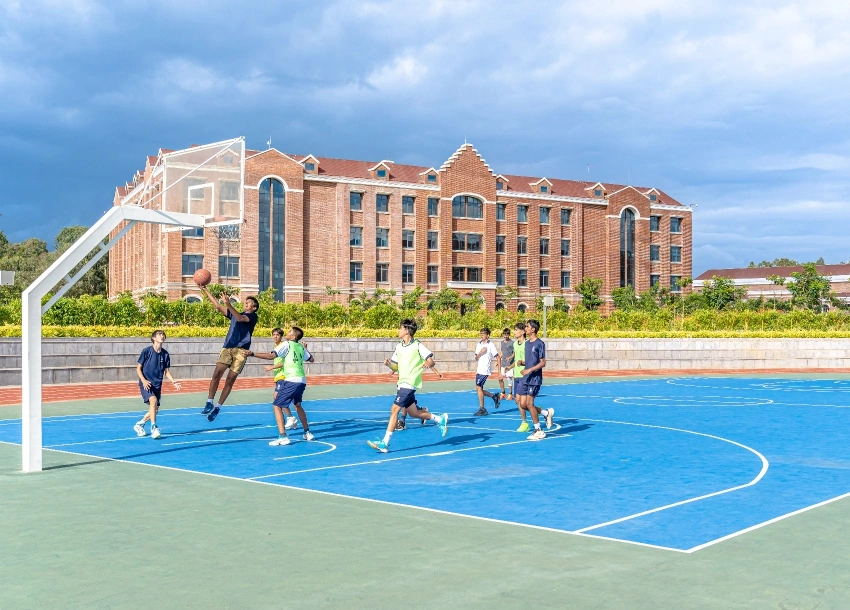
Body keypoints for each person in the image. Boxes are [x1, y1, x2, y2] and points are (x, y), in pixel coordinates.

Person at [367, 319, 448, 453]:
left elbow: (431, 360)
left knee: (394, 410)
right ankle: (440, 419)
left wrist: (428, 364)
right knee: (413, 413)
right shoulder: (399, 346)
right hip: (402, 382)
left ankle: (384, 443)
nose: (398, 330)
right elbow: (396, 366)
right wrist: (389, 364)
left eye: (400, 328)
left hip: (410, 383)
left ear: (406, 331)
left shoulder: (417, 345)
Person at [197, 285, 259, 422]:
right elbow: (218, 306)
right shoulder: (234, 313)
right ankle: (209, 402)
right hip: (228, 347)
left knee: (230, 379)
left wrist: (229, 304)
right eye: (245, 302)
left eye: (248, 303)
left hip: (241, 351)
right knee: (217, 374)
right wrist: (206, 290)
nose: (245, 303)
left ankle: (217, 407)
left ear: (253, 308)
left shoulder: (253, 316)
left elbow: (241, 318)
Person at [134, 330, 181, 439]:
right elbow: (138, 368)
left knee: (155, 409)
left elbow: (166, 371)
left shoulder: (165, 354)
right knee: (153, 400)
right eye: (160, 334)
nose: (162, 336)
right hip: (146, 383)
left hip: (157, 384)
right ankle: (153, 427)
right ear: (154, 338)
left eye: (163, 334)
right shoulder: (146, 351)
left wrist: (173, 381)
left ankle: (140, 424)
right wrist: (144, 381)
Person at [516, 319, 554, 441]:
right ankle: (545, 413)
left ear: (533, 329)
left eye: (527, 327)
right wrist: (523, 363)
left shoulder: (540, 343)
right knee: (522, 404)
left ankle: (538, 430)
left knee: (529, 403)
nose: (525, 329)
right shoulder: (527, 344)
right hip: (526, 377)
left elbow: (542, 362)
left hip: (535, 378)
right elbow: (531, 361)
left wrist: (529, 370)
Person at [473, 327, 501, 416]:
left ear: (488, 335)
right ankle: (494, 396)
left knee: (479, 387)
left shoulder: (491, 345)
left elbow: (498, 357)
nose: (482, 335)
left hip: (485, 370)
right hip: (479, 369)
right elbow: (476, 358)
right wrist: (480, 352)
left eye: (483, 333)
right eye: (481, 333)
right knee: (478, 389)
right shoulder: (479, 344)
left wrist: (499, 372)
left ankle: (482, 408)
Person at [512, 323, 531, 432]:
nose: (514, 332)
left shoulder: (528, 344)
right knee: (518, 401)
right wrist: (510, 367)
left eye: (516, 330)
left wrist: (523, 362)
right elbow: (516, 360)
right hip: (517, 375)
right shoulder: (515, 344)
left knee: (521, 402)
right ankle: (543, 412)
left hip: (525, 375)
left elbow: (531, 360)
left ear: (522, 332)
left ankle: (525, 423)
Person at [498, 327, 514, 401]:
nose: (506, 335)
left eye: (507, 334)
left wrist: (510, 357)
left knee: (509, 379)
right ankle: (503, 393)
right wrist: (498, 360)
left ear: (509, 335)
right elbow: (502, 352)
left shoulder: (512, 343)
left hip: (509, 365)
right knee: (500, 378)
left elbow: (514, 353)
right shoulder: (501, 342)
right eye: (504, 334)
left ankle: (510, 394)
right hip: (503, 364)